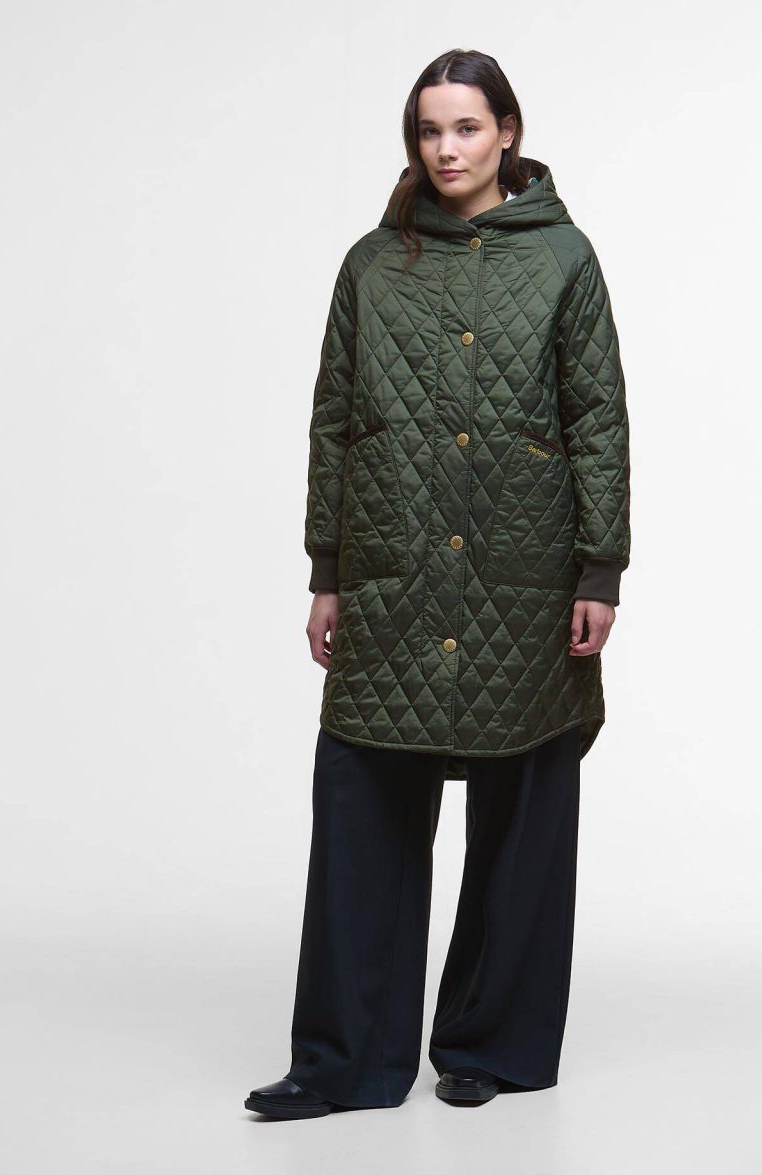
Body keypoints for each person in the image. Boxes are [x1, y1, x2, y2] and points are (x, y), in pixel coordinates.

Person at [245, 47, 631, 1120]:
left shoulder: (564, 260)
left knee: (523, 810)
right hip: (393, 562)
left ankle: (491, 1046)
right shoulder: (374, 263)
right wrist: (327, 568)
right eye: (429, 130)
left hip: (524, 567)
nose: (447, 149)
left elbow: (597, 416)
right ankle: (344, 1060)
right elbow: (333, 419)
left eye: (466, 127)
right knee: (361, 802)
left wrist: (600, 566)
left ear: (508, 131)